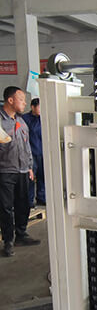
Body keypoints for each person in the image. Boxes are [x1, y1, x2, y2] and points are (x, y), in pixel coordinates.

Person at [0, 86, 41, 257]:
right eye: (21, 99)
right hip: (5, 170)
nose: (25, 103)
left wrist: (30, 167)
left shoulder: (21, 121)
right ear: (10, 100)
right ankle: (8, 241)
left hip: (23, 170)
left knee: (23, 204)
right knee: (6, 208)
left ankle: (21, 235)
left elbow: (26, 146)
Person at [23, 98, 46, 207]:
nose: (41, 110)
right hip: (31, 153)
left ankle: (42, 198)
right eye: (39, 107)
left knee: (43, 176)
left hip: (43, 152)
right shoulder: (25, 119)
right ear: (32, 107)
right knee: (31, 178)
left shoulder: (44, 119)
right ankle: (29, 201)